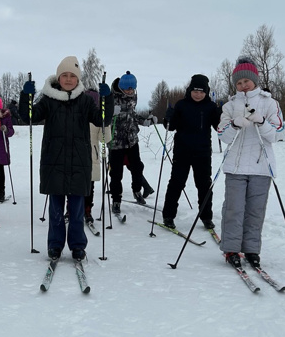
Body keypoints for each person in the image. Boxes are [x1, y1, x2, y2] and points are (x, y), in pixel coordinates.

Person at [19, 55, 113, 261]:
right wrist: (26, 96)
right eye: (65, 76)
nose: (69, 79)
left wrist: (108, 99)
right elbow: (29, 116)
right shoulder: (49, 101)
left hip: (79, 162)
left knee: (77, 210)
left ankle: (78, 246)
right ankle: (55, 245)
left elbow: (103, 119)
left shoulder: (86, 101)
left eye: (72, 76)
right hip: (54, 162)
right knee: (55, 210)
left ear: (78, 79)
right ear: (58, 78)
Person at [216, 56, 284, 269]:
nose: (243, 85)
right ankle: (231, 249)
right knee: (234, 209)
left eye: (246, 81)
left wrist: (261, 122)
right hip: (235, 167)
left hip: (261, 167)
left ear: (255, 80)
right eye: (239, 82)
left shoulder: (269, 103)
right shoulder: (230, 105)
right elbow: (223, 135)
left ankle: (252, 250)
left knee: (255, 210)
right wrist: (236, 124)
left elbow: (277, 134)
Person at [161, 74, 221, 230]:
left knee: (204, 185)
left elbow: (219, 127)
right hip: (182, 151)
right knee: (176, 182)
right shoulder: (182, 105)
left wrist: (222, 115)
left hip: (202, 152)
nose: (198, 94)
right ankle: (168, 215)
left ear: (206, 92)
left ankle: (206, 217)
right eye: (195, 91)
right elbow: (171, 126)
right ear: (190, 90)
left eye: (201, 92)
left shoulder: (210, 107)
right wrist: (168, 118)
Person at [108, 71, 157, 215]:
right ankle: (116, 200)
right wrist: (111, 114)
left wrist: (145, 121)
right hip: (116, 141)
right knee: (116, 173)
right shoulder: (110, 97)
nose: (130, 91)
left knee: (137, 168)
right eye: (127, 89)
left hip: (131, 140)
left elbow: (133, 114)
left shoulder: (133, 96)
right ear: (121, 87)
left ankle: (137, 191)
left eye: (132, 89)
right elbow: (102, 117)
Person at [83, 89, 111, 226]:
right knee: (73, 184)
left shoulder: (97, 117)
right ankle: (70, 210)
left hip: (92, 156)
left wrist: (107, 124)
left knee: (89, 186)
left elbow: (104, 139)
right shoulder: (78, 114)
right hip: (75, 154)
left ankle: (87, 210)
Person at [0, 96, 15, 203]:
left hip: (2, 146)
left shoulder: (6, 117)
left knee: (0, 169)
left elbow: (11, 131)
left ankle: (1, 191)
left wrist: (6, 130)